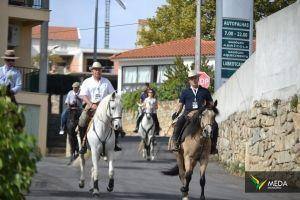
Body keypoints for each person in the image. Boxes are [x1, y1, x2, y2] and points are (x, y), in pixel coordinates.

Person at [78, 61, 122, 154]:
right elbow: (83, 95)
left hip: (104, 107)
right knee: (82, 121)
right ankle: (83, 144)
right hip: (91, 105)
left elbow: (112, 94)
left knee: (116, 120)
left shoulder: (106, 81)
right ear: (92, 71)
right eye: (96, 70)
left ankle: (114, 143)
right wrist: (90, 104)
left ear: (101, 71)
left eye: (99, 70)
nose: (98, 71)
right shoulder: (87, 81)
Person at [170, 70, 218, 154]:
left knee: (215, 125)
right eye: (191, 78)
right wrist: (176, 113)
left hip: (201, 114)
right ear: (189, 80)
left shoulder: (205, 91)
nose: (194, 80)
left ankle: (213, 146)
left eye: (195, 78)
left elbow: (210, 104)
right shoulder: (185, 92)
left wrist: (211, 106)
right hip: (187, 113)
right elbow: (180, 104)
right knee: (179, 122)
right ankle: (175, 143)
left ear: (198, 78)